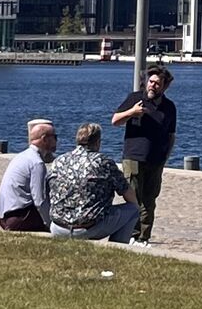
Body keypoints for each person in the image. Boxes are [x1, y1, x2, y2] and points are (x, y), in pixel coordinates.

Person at [111, 66, 178, 245]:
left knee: (149, 200)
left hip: (156, 161)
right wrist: (132, 112)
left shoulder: (169, 107)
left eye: (157, 83)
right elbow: (115, 121)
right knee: (133, 197)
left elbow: (171, 135)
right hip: (133, 157)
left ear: (164, 87)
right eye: (151, 82)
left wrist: (165, 158)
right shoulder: (135, 99)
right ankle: (131, 235)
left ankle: (143, 237)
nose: (153, 86)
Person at [48, 122, 140, 244]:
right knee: (133, 210)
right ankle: (118, 246)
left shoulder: (59, 160)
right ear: (97, 142)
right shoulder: (103, 162)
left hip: (58, 227)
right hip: (87, 228)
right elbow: (127, 193)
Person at [0, 119, 57, 232]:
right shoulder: (37, 163)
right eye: (54, 137)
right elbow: (40, 201)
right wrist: (50, 225)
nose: (56, 141)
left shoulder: (22, 156)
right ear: (44, 139)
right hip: (19, 219)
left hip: (3, 218)